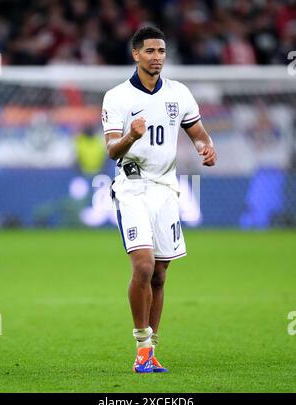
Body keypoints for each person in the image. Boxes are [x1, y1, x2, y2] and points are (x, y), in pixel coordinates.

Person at [101, 26, 217, 373]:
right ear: (135, 54)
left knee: (161, 275)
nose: (157, 57)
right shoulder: (117, 97)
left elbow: (197, 133)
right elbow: (111, 150)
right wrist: (130, 138)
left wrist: (204, 148)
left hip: (166, 190)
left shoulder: (179, 93)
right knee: (143, 266)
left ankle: (152, 349)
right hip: (133, 188)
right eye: (150, 51)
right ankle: (141, 345)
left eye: (162, 51)